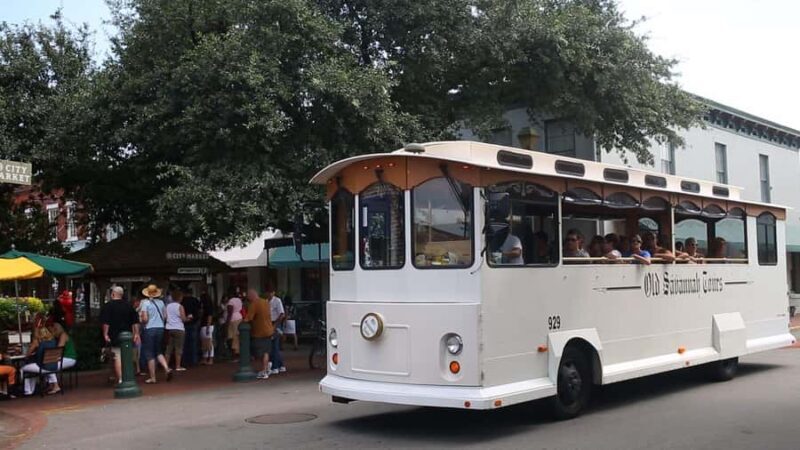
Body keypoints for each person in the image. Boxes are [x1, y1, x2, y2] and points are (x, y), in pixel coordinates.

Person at [21, 322, 77, 395]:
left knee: (49, 363)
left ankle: (53, 385)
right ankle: (51, 385)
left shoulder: (62, 335)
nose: (52, 332)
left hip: (68, 358)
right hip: (59, 358)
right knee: (50, 362)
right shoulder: (53, 340)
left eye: (52, 330)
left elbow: (59, 348)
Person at [100, 286, 141, 384]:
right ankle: (127, 377)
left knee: (117, 356)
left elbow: (106, 322)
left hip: (114, 335)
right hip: (127, 335)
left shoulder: (108, 306)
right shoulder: (128, 306)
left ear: (113, 294)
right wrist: (136, 334)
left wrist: (105, 334)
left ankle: (121, 379)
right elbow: (135, 321)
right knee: (127, 356)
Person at [139, 284, 172, 384]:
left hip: (149, 329)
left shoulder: (145, 303)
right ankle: (166, 368)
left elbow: (145, 319)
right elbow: (165, 316)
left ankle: (153, 377)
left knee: (150, 354)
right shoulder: (161, 303)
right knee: (158, 351)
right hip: (160, 328)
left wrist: (140, 319)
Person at [243, 288, 274, 380]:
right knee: (266, 351)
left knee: (258, 351)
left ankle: (265, 370)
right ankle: (267, 367)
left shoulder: (254, 304)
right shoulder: (265, 302)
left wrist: (242, 322)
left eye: (248, 297)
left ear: (251, 296)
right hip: (269, 330)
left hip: (259, 333)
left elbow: (248, 318)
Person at [165, 290, 189, 371]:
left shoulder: (167, 306)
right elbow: (183, 318)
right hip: (179, 328)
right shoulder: (180, 306)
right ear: (180, 297)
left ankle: (166, 365)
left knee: (169, 348)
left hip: (169, 328)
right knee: (178, 348)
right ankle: (178, 366)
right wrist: (188, 318)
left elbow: (165, 317)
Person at [267, 285, 286, 374]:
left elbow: (282, 314)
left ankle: (275, 366)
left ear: (273, 292)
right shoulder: (266, 301)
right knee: (273, 346)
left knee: (275, 345)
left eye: (271, 292)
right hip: (269, 323)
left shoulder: (277, 301)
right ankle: (280, 365)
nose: (269, 294)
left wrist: (276, 325)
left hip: (276, 323)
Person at [181, 290, 202, 367]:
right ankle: (194, 360)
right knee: (193, 342)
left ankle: (185, 360)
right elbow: (200, 310)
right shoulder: (195, 300)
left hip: (184, 323)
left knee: (184, 343)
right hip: (194, 322)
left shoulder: (182, 301)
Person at [225, 288, 244, 359]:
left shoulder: (231, 301)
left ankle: (235, 353)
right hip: (239, 317)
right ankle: (238, 352)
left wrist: (227, 322)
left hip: (233, 319)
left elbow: (230, 312)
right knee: (237, 336)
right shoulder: (239, 300)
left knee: (232, 337)